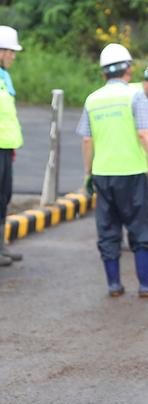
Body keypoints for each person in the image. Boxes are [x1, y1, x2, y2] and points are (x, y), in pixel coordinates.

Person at [76, 44, 148, 298]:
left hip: (102, 174)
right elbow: (144, 133)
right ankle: (147, 285)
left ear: (103, 73)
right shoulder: (135, 96)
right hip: (131, 173)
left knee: (108, 230)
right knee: (141, 230)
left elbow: (87, 140)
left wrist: (87, 174)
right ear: (128, 69)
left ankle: (114, 285)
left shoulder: (92, 99)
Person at [0, 26, 23, 267]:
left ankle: (2, 247)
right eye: (10, 51)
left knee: (3, 197)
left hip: (5, 147)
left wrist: (12, 145)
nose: (13, 56)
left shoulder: (4, 77)